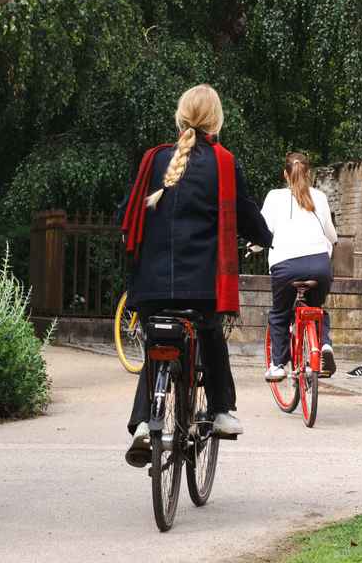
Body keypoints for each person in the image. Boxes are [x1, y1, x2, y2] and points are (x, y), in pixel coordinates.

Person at [116, 84, 273, 468]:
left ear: (180, 116)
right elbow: (247, 213)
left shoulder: (154, 159)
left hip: (151, 284)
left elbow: (126, 213)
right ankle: (221, 410)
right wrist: (266, 239)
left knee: (157, 343)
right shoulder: (224, 162)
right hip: (202, 286)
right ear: (216, 122)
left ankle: (141, 425)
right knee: (210, 335)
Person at [260, 151, 338, 381]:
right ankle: (324, 345)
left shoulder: (274, 197)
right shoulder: (320, 197)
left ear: (285, 174)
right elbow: (331, 235)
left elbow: (263, 232)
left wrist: (253, 245)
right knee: (317, 309)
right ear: (309, 173)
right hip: (319, 265)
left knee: (280, 314)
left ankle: (278, 365)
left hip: (285, 267)